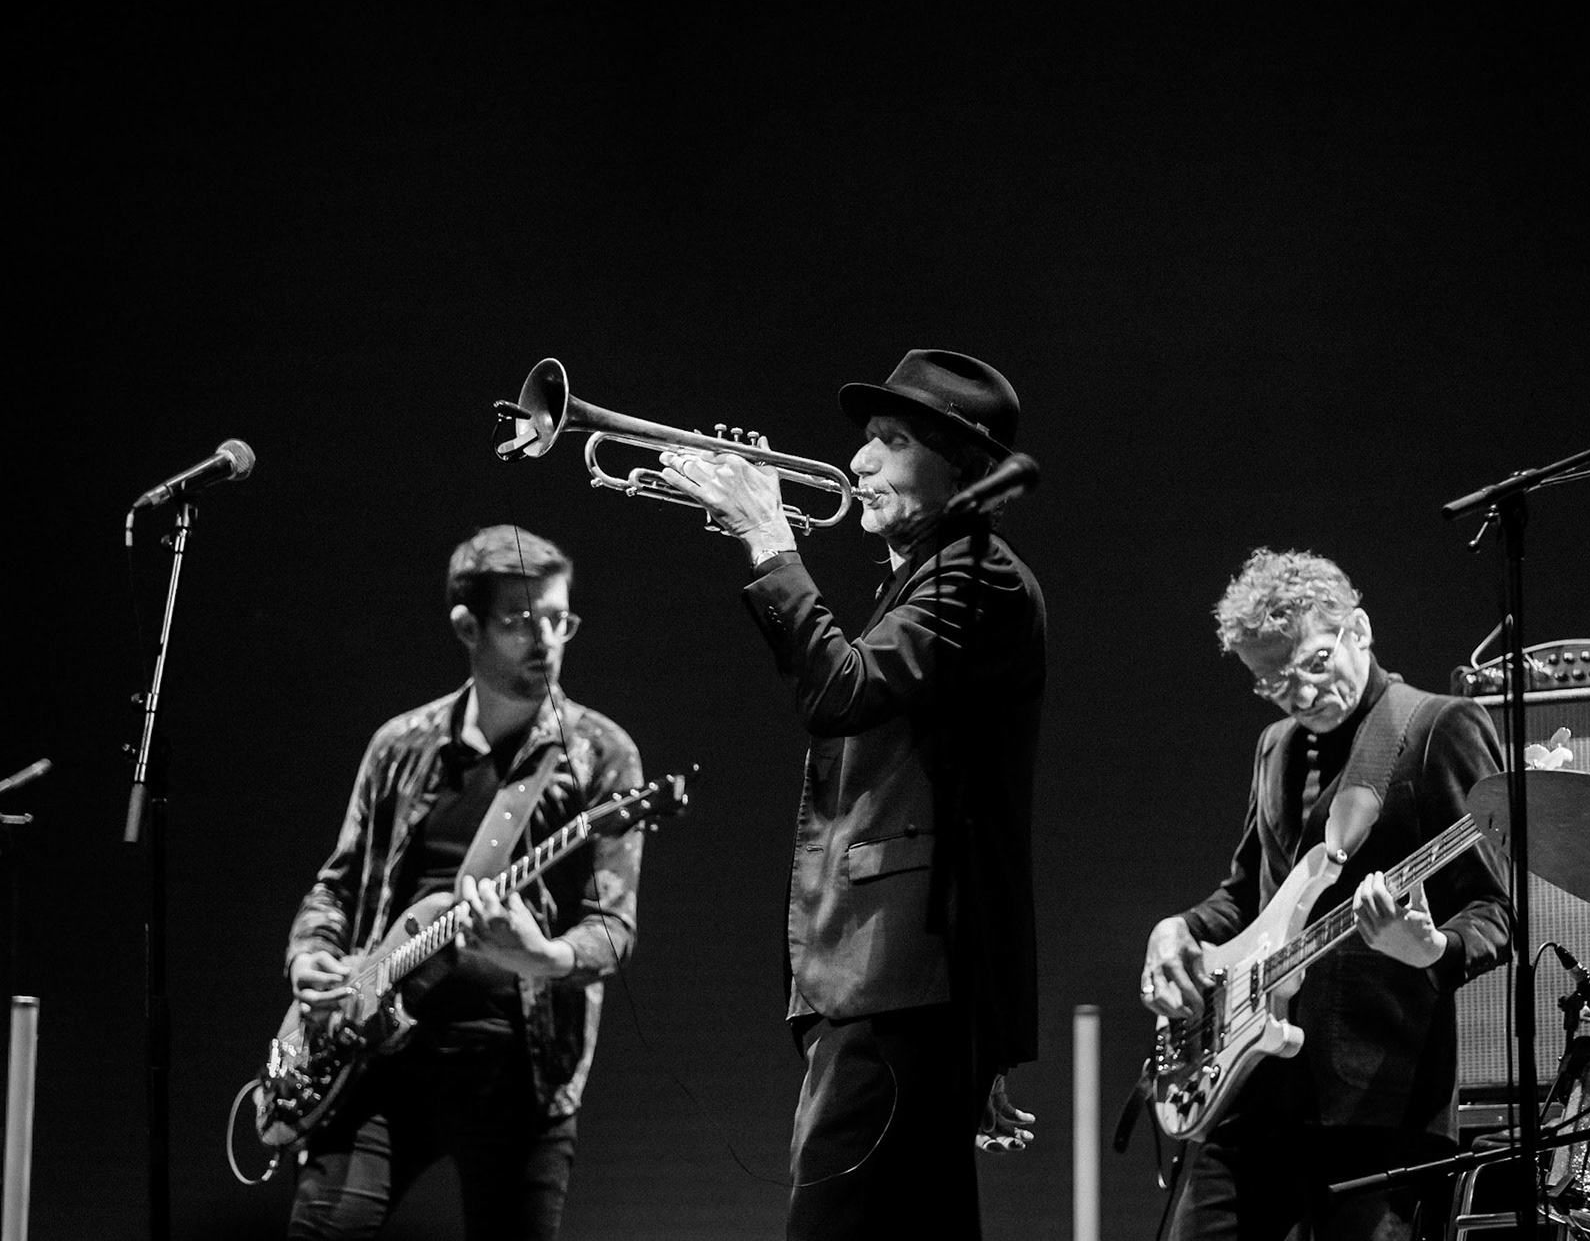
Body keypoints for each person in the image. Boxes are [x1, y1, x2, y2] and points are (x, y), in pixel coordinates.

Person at [657, 348, 1043, 1240]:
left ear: (961, 467)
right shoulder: (925, 579)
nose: (860, 462)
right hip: (893, 979)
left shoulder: (975, 576)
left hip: (894, 976)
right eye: (866, 439)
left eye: (892, 440)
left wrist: (768, 541)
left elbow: (839, 692)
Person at [283, 525, 645, 1241]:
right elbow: (337, 884)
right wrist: (307, 958)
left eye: (558, 618)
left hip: (516, 1073)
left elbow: (613, 927)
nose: (546, 640)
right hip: (375, 1062)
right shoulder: (401, 745)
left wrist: (541, 955)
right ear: (466, 626)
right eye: (520, 621)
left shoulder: (600, 756)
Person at [1139, 549, 1512, 1241]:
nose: (1302, 696)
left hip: (1378, 1103)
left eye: (1313, 665)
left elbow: (1495, 910)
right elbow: (1244, 897)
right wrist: (1177, 931)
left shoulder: (1436, 727)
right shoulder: (1274, 747)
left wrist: (1431, 947)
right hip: (1251, 1088)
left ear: (1360, 631)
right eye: (1275, 683)